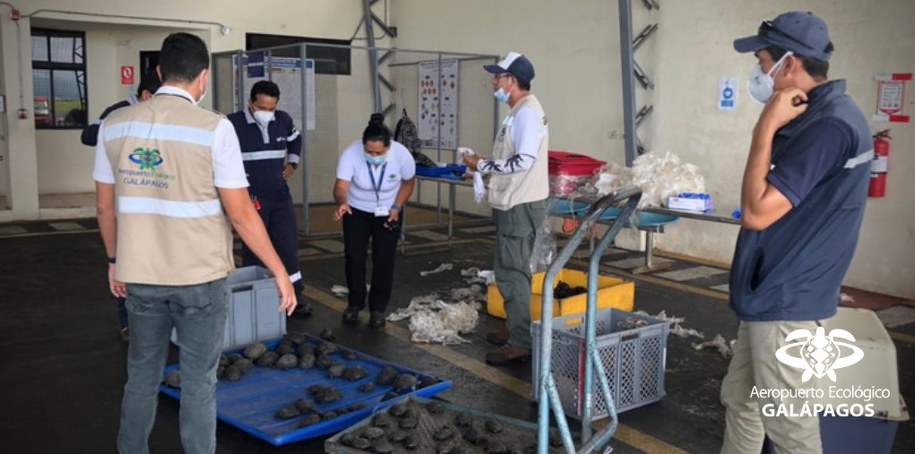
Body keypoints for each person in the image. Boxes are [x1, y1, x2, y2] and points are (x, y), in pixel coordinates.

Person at [93, 32, 296, 454]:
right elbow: (241, 214)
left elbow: (104, 209)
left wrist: (115, 261)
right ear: (203, 77)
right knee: (200, 382)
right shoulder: (214, 128)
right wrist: (280, 271)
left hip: (141, 277)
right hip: (201, 280)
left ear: (161, 72)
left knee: (142, 377)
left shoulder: (113, 126)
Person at [722, 12, 872, 454]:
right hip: (772, 292)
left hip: (787, 298)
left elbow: (756, 212)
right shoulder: (820, 114)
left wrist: (764, 127)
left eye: (763, 61)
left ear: (789, 65)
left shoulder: (828, 126)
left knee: (789, 427)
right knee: (743, 401)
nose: (759, 72)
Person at [462, 52, 549, 366]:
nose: (493, 82)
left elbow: (523, 160)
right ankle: (517, 330)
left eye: (497, 77)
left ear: (512, 80)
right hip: (514, 201)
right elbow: (514, 157)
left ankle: (520, 341)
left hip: (519, 203)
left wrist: (482, 164)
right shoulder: (518, 112)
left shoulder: (526, 113)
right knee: (513, 272)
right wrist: (482, 167)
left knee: (512, 274)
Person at [82, 70, 162, 343]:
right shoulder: (119, 113)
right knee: (125, 261)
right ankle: (128, 322)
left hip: (153, 195)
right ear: (146, 96)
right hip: (123, 197)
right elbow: (89, 135)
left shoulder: (157, 116)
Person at [227, 80, 311, 317]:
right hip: (250, 198)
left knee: (288, 247)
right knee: (255, 251)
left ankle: (295, 295)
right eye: (262, 108)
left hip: (279, 195)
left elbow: (296, 139)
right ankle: (257, 299)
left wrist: (292, 162)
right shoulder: (232, 124)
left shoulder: (282, 120)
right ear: (251, 103)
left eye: (272, 108)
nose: (267, 113)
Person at [333, 113, 415, 329]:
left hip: (389, 211)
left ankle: (378, 309)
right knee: (354, 257)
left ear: (389, 147)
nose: (374, 155)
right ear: (363, 146)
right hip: (356, 209)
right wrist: (342, 202)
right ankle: (354, 304)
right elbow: (341, 187)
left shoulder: (401, 154)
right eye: (369, 152)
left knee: (384, 259)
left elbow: (408, 183)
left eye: (379, 152)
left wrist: (397, 207)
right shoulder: (351, 154)